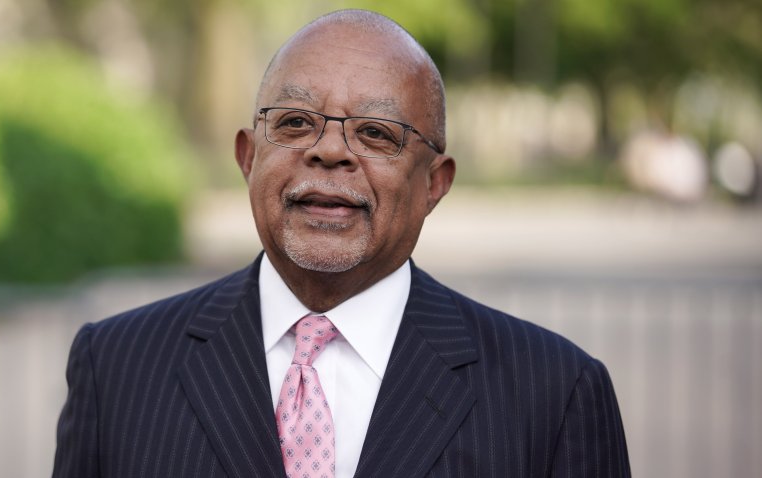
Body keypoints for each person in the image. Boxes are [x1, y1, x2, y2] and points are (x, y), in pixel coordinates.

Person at [53, 9, 630, 478]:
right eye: (296, 122)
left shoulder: (555, 395)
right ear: (248, 157)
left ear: (435, 183)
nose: (329, 151)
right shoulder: (116, 366)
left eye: (376, 133)